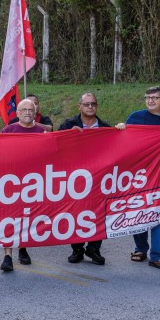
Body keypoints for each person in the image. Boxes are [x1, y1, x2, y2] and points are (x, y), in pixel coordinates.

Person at [116, 86, 160, 270]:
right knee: (138, 211)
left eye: (155, 98)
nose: (150, 100)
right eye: (147, 97)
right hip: (139, 176)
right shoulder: (135, 117)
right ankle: (140, 248)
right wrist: (121, 129)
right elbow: (123, 143)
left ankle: (157, 255)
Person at [58, 92, 112, 265]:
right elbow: (56, 145)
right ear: (79, 106)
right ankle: (77, 249)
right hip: (76, 177)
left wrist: (120, 130)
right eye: (87, 104)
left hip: (99, 177)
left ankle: (94, 248)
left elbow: (115, 147)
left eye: (93, 104)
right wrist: (68, 135)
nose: (90, 107)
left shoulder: (105, 127)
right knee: (76, 212)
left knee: (99, 211)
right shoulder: (68, 125)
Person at [0, 98, 46, 271]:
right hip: (10, 181)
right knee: (9, 218)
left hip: (33, 182)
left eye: (30, 110)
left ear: (35, 113)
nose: (27, 113)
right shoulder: (8, 130)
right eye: (23, 110)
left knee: (27, 217)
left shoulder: (42, 132)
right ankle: (7, 256)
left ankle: (23, 248)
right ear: (17, 113)